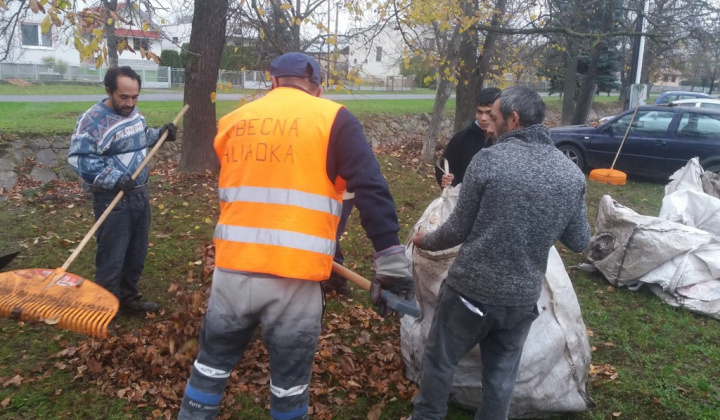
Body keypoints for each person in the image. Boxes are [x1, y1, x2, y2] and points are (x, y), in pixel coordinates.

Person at [178, 52, 415, 420]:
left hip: (232, 272)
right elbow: (369, 186)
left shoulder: (233, 121)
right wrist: (390, 258)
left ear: (271, 81)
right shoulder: (333, 119)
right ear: (318, 87)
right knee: (288, 385)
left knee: (210, 368)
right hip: (295, 278)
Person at [410, 86, 591, 420]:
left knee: (440, 361)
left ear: (514, 119)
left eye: (493, 119)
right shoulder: (571, 175)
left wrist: (423, 241)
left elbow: (456, 230)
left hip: (469, 294)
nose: (487, 127)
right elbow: (579, 241)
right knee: (500, 377)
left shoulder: (489, 160)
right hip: (521, 300)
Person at [68, 66, 177, 314]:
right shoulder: (92, 120)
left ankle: (128, 299)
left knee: (136, 254)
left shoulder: (133, 114)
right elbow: (79, 159)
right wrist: (114, 178)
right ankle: (104, 310)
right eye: (124, 97)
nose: (130, 103)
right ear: (109, 90)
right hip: (112, 199)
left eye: (135, 97)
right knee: (112, 259)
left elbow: (139, 137)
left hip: (139, 194)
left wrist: (160, 134)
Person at [435, 87, 501, 188]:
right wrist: (449, 179)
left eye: (489, 113)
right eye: (479, 112)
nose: (483, 118)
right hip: (462, 198)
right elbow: (444, 164)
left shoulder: (506, 141)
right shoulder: (462, 138)